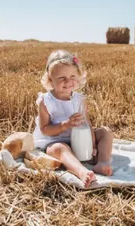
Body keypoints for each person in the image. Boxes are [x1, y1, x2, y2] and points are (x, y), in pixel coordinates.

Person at [32, 49, 114, 187]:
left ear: (79, 76)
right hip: (55, 140)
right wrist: (65, 125)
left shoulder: (79, 99)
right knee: (59, 149)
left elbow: (87, 124)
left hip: (79, 139)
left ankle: (102, 162)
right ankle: (81, 171)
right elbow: (45, 129)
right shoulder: (46, 101)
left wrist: (92, 145)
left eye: (73, 76)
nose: (68, 81)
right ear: (51, 80)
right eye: (62, 78)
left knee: (105, 132)